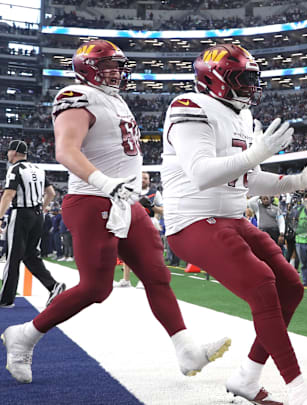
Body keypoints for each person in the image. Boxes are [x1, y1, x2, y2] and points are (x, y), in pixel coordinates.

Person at [1, 40, 229, 385]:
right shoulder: (75, 95)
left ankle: (186, 350)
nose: (118, 73)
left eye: (119, 66)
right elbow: (65, 151)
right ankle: (25, 334)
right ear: (88, 68)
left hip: (124, 200)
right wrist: (106, 183)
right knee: (96, 288)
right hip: (93, 199)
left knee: (157, 275)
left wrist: (128, 180)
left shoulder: (116, 99)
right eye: (109, 66)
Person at [161, 44, 307, 404]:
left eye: (253, 79)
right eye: (242, 79)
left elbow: (249, 178)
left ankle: (247, 377)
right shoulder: (188, 107)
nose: (250, 87)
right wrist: (255, 154)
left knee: (291, 286)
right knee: (262, 284)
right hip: (193, 219)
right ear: (216, 79)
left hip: (232, 217)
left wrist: (298, 181)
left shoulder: (243, 117)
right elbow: (201, 174)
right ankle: (299, 389)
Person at [0, 140, 66, 309]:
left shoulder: (15, 169)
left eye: (9, 152)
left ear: (14, 153)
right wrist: (41, 209)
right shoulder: (38, 169)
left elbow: (8, 195)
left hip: (21, 214)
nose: (8, 154)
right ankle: (53, 286)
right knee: (30, 255)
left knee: (12, 257)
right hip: (37, 215)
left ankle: (6, 299)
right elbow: (50, 193)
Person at [115, 171, 164, 288]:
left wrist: (151, 206)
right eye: (141, 178)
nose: (143, 180)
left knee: (146, 253)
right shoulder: (130, 191)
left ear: (149, 180)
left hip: (149, 223)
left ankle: (144, 279)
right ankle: (126, 280)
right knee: (128, 251)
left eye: (145, 178)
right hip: (130, 222)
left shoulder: (155, 193)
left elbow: (162, 210)